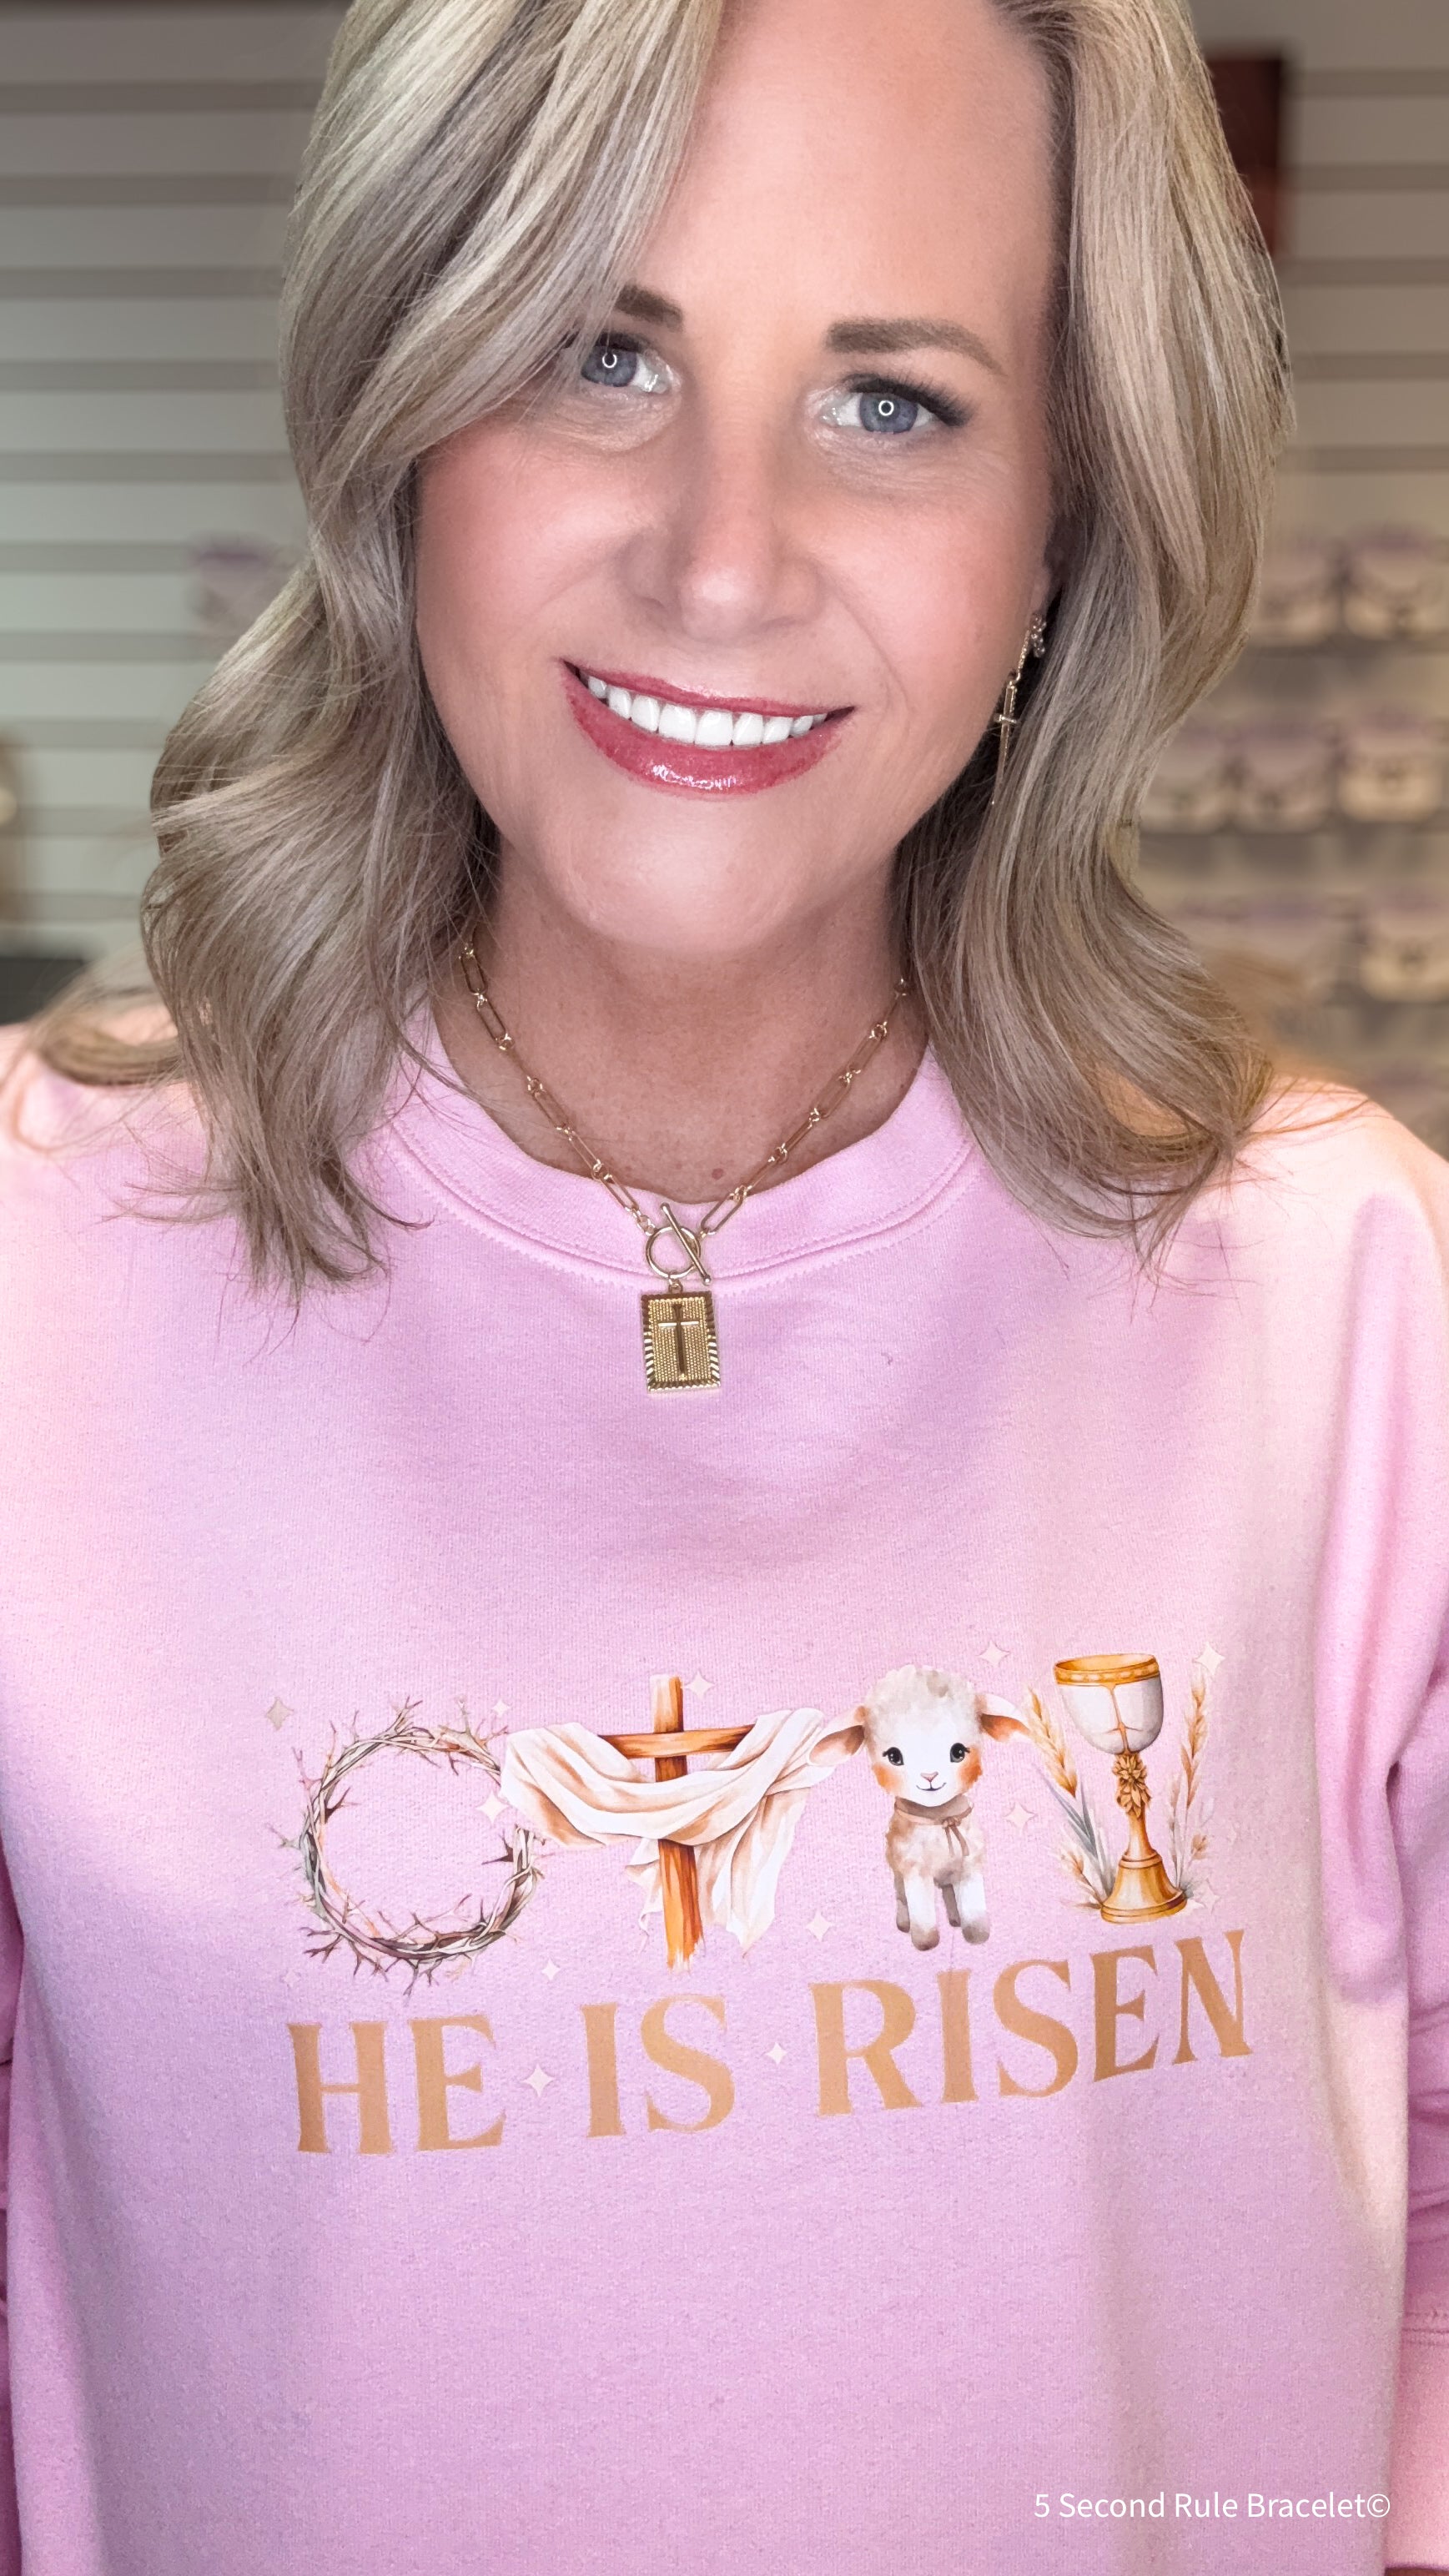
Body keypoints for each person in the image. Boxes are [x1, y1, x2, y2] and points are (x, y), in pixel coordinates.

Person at [1, 0, 1445, 2567]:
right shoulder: (38, 1287)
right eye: (595, 349)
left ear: (1059, 534)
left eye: (892, 400)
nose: (721, 552)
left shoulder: (1340, 1286)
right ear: (400, 420)